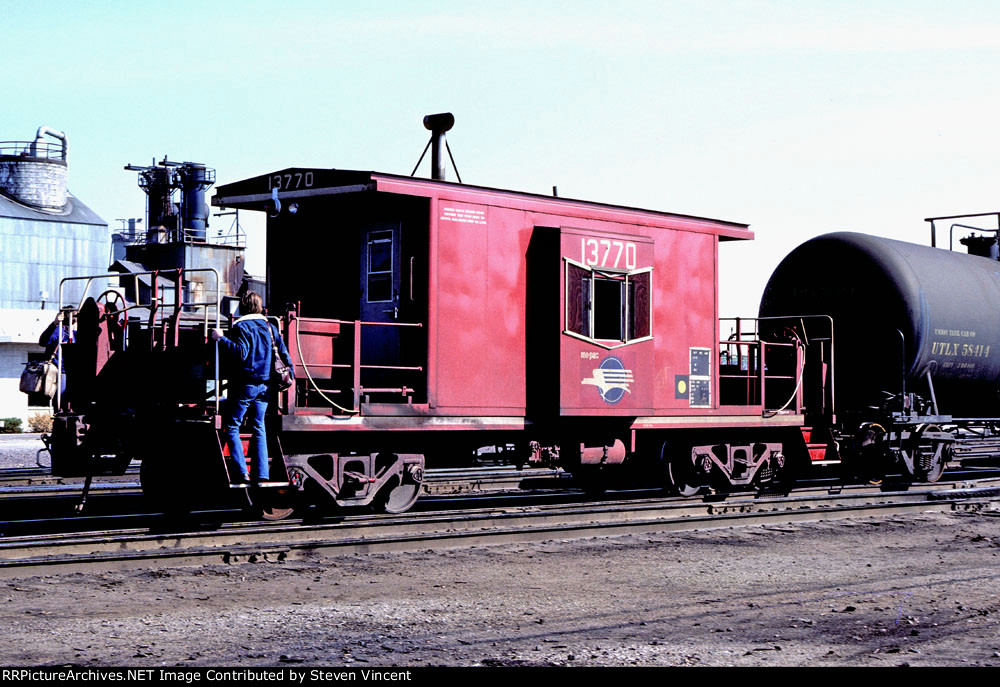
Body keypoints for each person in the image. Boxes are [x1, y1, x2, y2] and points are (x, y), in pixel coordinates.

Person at [211, 292, 293, 484]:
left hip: (246, 385)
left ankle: (242, 473)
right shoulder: (270, 327)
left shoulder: (242, 326)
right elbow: (284, 355)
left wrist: (220, 338)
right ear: (260, 307)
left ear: (243, 307)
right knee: (259, 427)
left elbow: (241, 353)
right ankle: (262, 474)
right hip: (265, 387)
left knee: (232, 426)